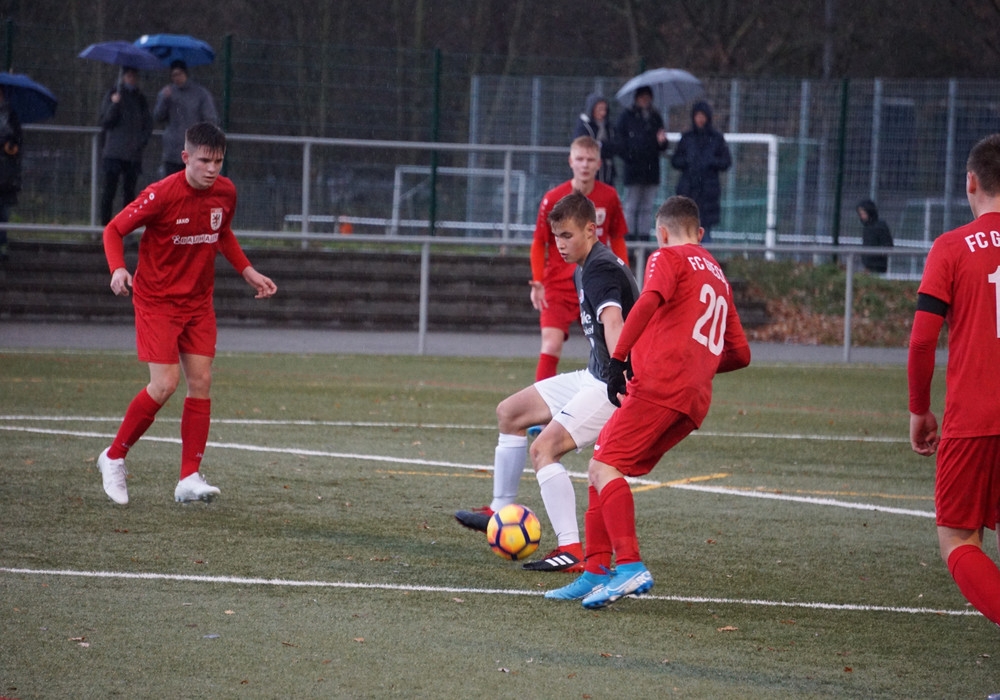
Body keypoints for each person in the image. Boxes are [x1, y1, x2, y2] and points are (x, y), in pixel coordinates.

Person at [546, 195, 751, 607]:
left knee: (603, 467)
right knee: (605, 463)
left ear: (661, 233)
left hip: (659, 385)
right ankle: (595, 570)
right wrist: (697, 369)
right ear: (700, 233)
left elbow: (647, 303)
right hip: (693, 400)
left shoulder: (667, 257)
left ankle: (629, 566)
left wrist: (619, 359)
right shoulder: (718, 276)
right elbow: (741, 353)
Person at [455, 191, 639, 572]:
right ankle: (500, 510)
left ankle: (570, 548)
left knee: (543, 450)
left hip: (611, 385)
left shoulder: (600, 269)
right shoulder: (584, 267)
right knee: (510, 413)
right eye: (556, 237)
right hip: (593, 375)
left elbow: (614, 322)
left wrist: (619, 373)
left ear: (591, 230)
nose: (560, 245)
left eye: (567, 236)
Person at [97, 122, 277, 505]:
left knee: (202, 381)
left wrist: (247, 271)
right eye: (204, 161)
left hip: (198, 302)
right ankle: (113, 457)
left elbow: (222, 233)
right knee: (164, 384)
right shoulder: (161, 194)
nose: (212, 169)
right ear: (185, 158)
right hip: (157, 301)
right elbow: (113, 230)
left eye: (218, 161)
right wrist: (117, 268)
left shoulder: (226, 192)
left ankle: (188, 477)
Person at [908, 133, 1000, 626]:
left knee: (958, 539)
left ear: (970, 183)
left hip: (975, 418)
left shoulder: (951, 247)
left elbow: (923, 341)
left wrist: (919, 409)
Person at [529, 135, 628, 381]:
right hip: (558, 285)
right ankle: (544, 403)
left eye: (590, 160)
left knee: (609, 348)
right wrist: (538, 280)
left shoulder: (609, 197)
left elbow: (617, 238)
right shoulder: (553, 198)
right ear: (570, 161)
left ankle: (614, 395)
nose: (585, 164)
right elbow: (539, 242)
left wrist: (623, 275)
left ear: (598, 164)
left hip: (595, 282)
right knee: (551, 344)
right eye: (580, 159)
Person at [670, 101, 732, 244]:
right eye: (697, 116)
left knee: (704, 231)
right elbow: (675, 160)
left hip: (708, 193)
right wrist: (688, 162)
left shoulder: (716, 138)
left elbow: (726, 162)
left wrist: (711, 162)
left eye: (702, 116)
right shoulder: (687, 138)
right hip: (688, 190)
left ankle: (703, 256)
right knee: (685, 230)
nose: (700, 119)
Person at [98, 67, 154, 225]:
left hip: (133, 154)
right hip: (113, 152)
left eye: (134, 76)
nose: (132, 79)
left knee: (129, 193)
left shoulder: (140, 99)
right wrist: (114, 104)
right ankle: (105, 227)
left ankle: (126, 226)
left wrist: (141, 142)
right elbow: (106, 121)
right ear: (123, 77)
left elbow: (147, 124)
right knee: (109, 190)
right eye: (129, 76)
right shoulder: (113, 94)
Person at [614, 85, 669, 242]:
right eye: (642, 97)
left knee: (647, 207)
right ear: (636, 98)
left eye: (647, 97)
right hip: (633, 170)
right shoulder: (626, 117)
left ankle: (644, 240)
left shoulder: (655, 117)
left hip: (651, 170)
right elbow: (620, 143)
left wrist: (662, 141)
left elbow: (662, 145)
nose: (645, 100)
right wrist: (631, 156)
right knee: (631, 206)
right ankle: (629, 240)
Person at [153, 60, 218, 176]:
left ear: (185, 74)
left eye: (179, 74)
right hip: (172, 151)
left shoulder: (200, 94)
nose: (177, 78)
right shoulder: (167, 93)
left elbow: (210, 118)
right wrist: (164, 99)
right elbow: (158, 116)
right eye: (174, 75)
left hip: (194, 149)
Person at [0, 86, 23, 262]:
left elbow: (17, 142)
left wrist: (10, 145)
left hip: (5, 174)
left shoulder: (11, 116)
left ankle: (2, 245)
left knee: (3, 213)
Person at [573, 93, 616, 185]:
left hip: (607, 172)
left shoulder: (609, 127)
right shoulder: (583, 126)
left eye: (605, 109)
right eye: (599, 109)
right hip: (589, 174)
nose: (603, 113)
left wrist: (601, 145)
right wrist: (600, 147)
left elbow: (615, 147)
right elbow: (585, 147)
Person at [856, 199, 894, 273]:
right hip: (867, 264)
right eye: (860, 214)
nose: (862, 216)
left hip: (878, 265)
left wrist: (877, 255)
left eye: (864, 213)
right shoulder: (866, 227)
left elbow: (888, 245)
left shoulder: (880, 226)